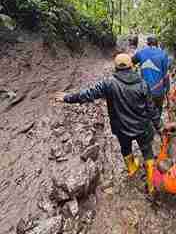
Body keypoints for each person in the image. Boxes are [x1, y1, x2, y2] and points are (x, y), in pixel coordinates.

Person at [55, 53, 160, 194]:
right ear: (132, 66)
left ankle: (132, 168)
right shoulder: (142, 83)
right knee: (148, 152)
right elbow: (151, 108)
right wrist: (160, 126)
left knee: (126, 149)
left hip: (122, 129)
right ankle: (151, 185)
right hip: (143, 127)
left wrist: (66, 98)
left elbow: (87, 94)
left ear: (116, 67)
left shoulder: (108, 83)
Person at [132, 36, 170, 126]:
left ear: (147, 43)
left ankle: (147, 129)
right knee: (157, 111)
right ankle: (156, 127)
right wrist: (167, 90)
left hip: (144, 90)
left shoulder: (141, 53)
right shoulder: (163, 54)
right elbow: (166, 75)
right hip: (158, 91)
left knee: (144, 111)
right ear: (157, 44)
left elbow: (130, 62)